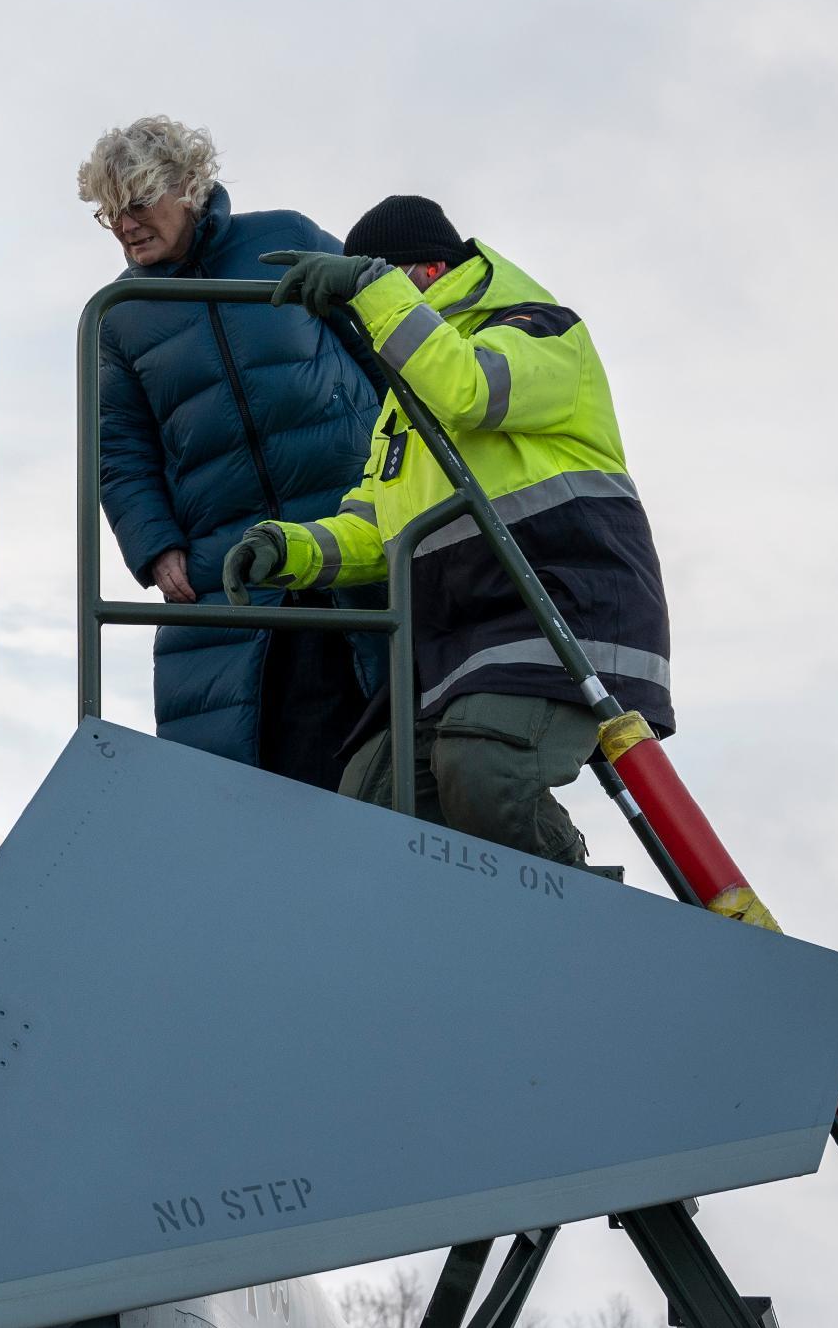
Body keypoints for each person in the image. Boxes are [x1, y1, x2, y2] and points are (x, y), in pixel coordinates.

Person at [224, 196, 672, 868]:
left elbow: (468, 388)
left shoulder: (540, 332)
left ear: (430, 273)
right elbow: (376, 528)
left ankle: (580, 905)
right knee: (373, 801)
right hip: (455, 640)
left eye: (381, 284)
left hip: (559, 606)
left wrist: (372, 290)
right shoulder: (403, 404)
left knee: (487, 774)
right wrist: (287, 549)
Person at [85, 116, 380, 783]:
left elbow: (390, 350)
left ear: (187, 187)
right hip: (233, 563)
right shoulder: (120, 314)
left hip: (354, 535)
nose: (124, 226)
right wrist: (154, 544)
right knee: (264, 771)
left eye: (136, 203)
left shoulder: (288, 240)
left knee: (394, 752)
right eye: (108, 215)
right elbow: (120, 449)